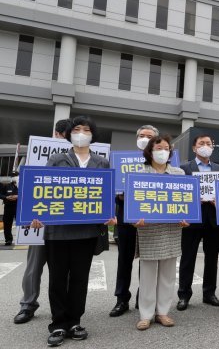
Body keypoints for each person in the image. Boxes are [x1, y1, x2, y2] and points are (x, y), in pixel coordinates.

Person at [30, 116, 117, 346]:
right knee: (57, 278)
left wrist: (110, 216)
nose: (81, 133)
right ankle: (58, 324)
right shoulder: (57, 159)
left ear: (92, 135)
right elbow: (43, 190)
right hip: (58, 232)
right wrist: (37, 216)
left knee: (80, 278)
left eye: (86, 130)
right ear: (69, 134)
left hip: (86, 233)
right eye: (76, 129)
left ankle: (75, 321)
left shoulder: (101, 162)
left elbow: (106, 196)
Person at [14, 118, 70, 325]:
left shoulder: (80, 156)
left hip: (65, 225)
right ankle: (27, 304)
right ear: (56, 134)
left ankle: (65, 308)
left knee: (65, 269)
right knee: (34, 266)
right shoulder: (35, 154)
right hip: (40, 220)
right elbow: (26, 186)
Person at [134, 134, 189, 330]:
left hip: (172, 229)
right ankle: (146, 315)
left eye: (166, 148)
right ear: (150, 151)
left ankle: (163, 312)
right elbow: (134, 203)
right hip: (148, 229)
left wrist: (186, 217)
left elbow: (185, 202)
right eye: (158, 148)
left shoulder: (179, 174)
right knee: (148, 275)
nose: (163, 152)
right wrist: (135, 218)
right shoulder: (139, 172)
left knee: (168, 274)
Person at [110, 124, 159, 317]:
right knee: (125, 260)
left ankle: (144, 298)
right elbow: (112, 190)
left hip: (150, 220)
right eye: (141, 135)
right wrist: (118, 195)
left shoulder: (158, 162)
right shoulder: (121, 161)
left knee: (147, 261)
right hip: (126, 219)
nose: (145, 138)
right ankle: (121, 299)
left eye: (149, 136)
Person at [177, 134, 219, 311]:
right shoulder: (183, 169)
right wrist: (192, 198)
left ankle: (209, 293)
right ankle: (184, 295)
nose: (205, 146)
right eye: (201, 143)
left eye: (208, 143)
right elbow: (180, 194)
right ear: (194, 148)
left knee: (212, 259)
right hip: (192, 220)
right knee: (187, 258)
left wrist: (217, 200)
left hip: (213, 220)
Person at [1, 171, 19, 246]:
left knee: (22, 224)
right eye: (12, 176)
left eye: (16, 176)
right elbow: (1, 194)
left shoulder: (22, 185)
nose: (14, 177)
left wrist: (18, 196)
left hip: (18, 207)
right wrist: (6, 197)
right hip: (8, 207)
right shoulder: (7, 186)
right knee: (7, 223)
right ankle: (8, 239)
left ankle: (22, 238)